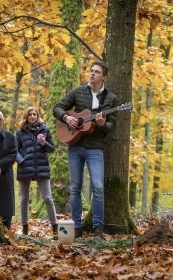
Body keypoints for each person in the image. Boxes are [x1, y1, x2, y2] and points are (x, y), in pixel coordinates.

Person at [53, 60, 117, 238]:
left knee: (98, 187)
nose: (92, 74)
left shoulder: (110, 99)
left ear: (103, 76)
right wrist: (67, 117)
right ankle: (76, 227)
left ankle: (98, 228)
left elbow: (111, 125)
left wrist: (103, 124)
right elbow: (57, 107)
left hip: (95, 148)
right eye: (91, 71)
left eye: (96, 72)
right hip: (75, 146)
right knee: (75, 188)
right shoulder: (78, 92)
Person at [15, 106, 58, 236]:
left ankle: (55, 226)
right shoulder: (20, 132)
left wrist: (44, 144)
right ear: (26, 117)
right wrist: (22, 161)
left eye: (35, 114)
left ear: (37, 116)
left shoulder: (45, 129)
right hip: (25, 168)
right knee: (24, 199)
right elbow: (15, 151)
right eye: (30, 114)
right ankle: (25, 227)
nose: (33, 116)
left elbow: (52, 149)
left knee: (47, 197)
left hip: (41, 167)